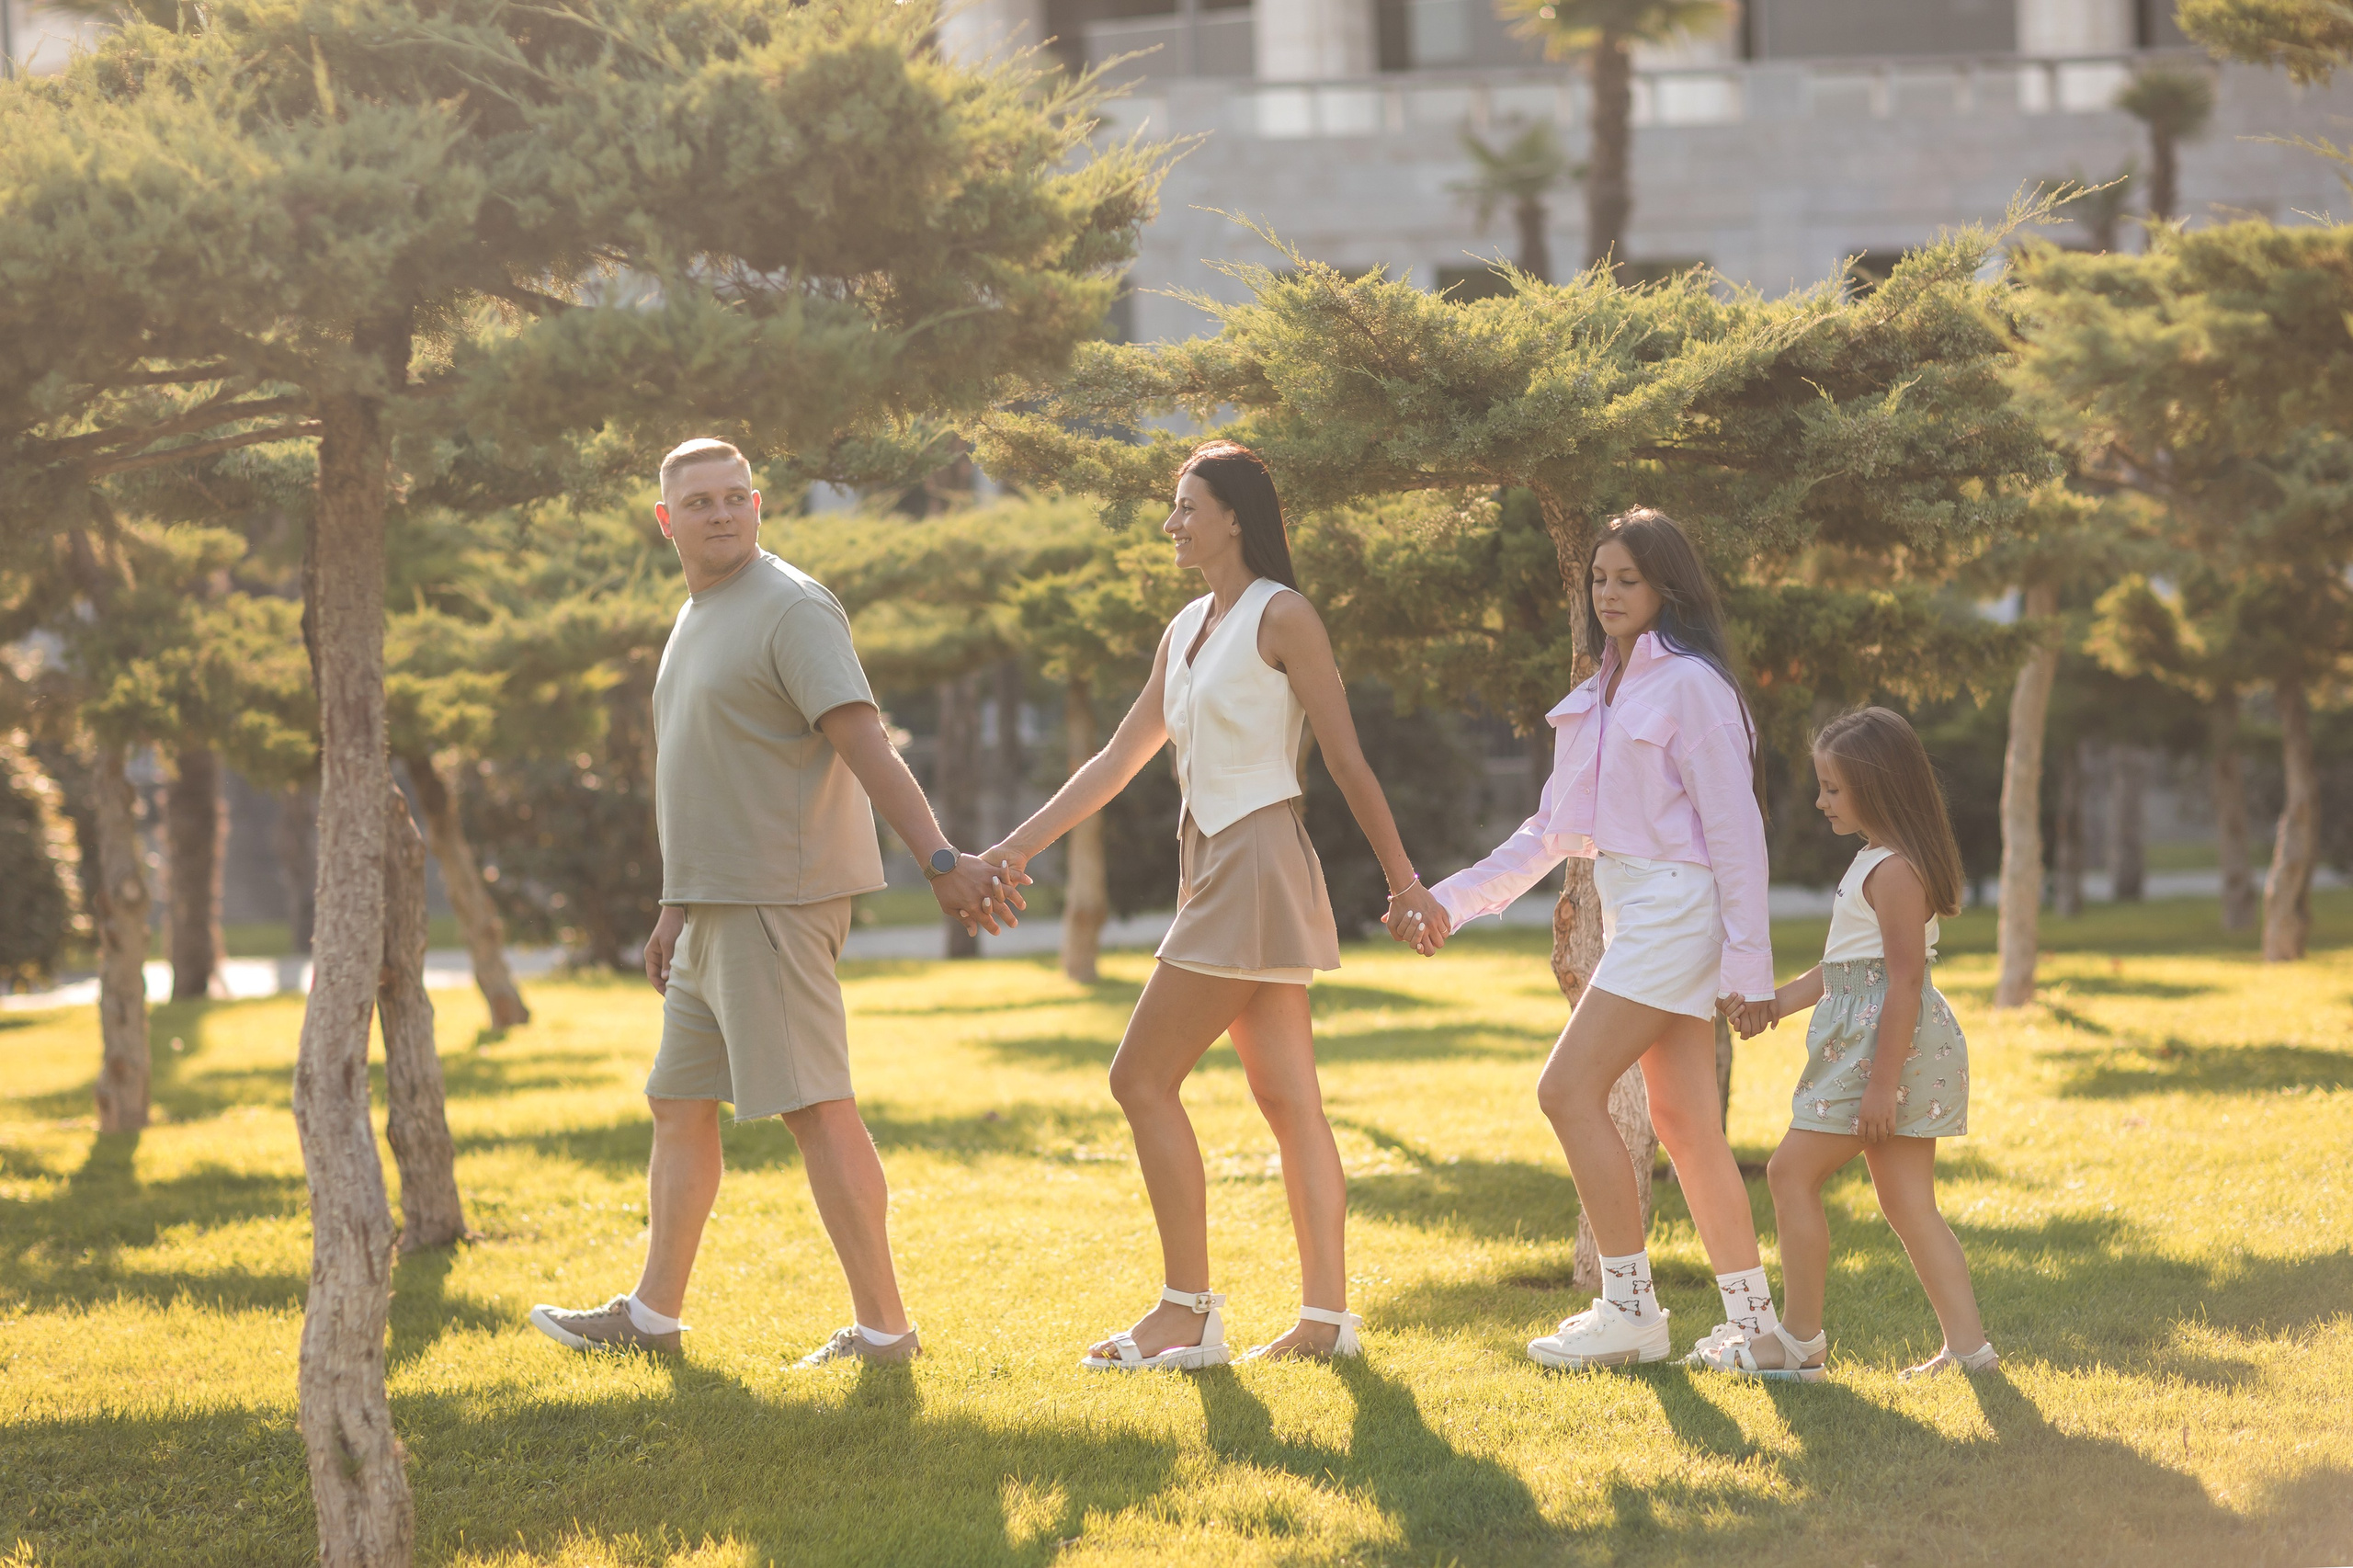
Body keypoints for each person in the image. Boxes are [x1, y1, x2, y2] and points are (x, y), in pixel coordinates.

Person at [529, 437, 1025, 1364]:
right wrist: (675, 903)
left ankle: (885, 1331)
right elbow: (704, 771)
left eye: (735, 497)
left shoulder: (791, 607)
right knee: (677, 1103)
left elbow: (864, 741)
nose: (721, 514)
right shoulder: (700, 611)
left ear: (758, 505)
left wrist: (941, 857)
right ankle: (653, 1314)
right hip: (712, 906)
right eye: (700, 503)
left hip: (776, 900)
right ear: (666, 520)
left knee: (815, 1106)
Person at [983, 439, 1449, 1368]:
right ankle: (1326, 1323)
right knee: (1286, 1098)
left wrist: (1405, 881)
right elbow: (1118, 759)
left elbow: (1346, 758)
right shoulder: (1187, 624)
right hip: (1216, 861)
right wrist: (1010, 849)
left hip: (1256, 855)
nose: (1171, 522)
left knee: (1138, 1077)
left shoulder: (1286, 615)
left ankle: (1187, 1311)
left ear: (1235, 515)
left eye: (1187, 506)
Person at [1402, 508, 1781, 1371]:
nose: (1608, 593)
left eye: (1628, 579)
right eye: (1598, 579)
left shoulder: (1692, 686)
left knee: (1567, 1090)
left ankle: (1630, 1311)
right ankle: (1758, 1329)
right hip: (1632, 908)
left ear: (1666, 588)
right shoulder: (1598, 692)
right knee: (1687, 1125)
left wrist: (1749, 970)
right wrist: (1445, 904)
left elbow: (1738, 834)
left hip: (1676, 910)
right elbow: (1546, 834)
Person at [1711, 707, 1995, 1381]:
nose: (1820, 801)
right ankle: (1971, 1355)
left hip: (1882, 1053)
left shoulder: (1896, 871)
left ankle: (1800, 1342)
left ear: (1880, 785)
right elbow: (1845, 967)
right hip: (1876, 1046)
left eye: (1834, 788)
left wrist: (1879, 1085)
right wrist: (1776, 1004)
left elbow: (1901, 983)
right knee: (1906, 1205)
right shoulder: (1875, 860)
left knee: (1788, 1172)